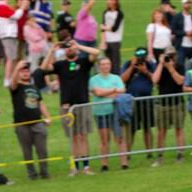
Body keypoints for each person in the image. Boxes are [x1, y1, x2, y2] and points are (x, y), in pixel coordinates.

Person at [42, 40, 100, 175]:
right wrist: (52, 50)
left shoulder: (84, 62)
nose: (70, 49)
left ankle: (86, 166)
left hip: (83, 104)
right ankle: (75, 167)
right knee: (73, 137)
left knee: (83, 136)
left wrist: (78, 45)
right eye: (67, 48)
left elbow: (96, 52)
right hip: (67, 106)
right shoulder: (60, 65)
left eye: (71, 47)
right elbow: (44, 68)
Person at [10, 60, 52, 180]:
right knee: (27, 151)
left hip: (38, 123)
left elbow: (41, 103)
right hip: (22, 124)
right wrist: (16, 68)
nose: (25, 73)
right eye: (22, 71)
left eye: (27, 71)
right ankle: (32, 174)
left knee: (42, 150)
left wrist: (47, 116)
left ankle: (44, 172)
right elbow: (12, 82)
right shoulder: (16, 87)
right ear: (18, 73)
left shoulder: (34, 87)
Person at [88, 57, 128, 171]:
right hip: (100, 111)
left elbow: (122, 91)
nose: (106, 66)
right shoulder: (93, 79)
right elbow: (98, 92)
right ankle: (104, 164)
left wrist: (105, 93)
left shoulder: (116, 78)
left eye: (108, 64)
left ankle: (124, 163)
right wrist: (113, 91)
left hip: (115, 111)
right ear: (99, 66)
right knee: (104, 139)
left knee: (119, 137)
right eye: (103, 64)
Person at [152, 45, 187, 165]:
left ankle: (180, 155)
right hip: (162, 104)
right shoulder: (160, 67)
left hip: (177, 103)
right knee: (161, 131)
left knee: (179, 129)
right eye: (168, 56)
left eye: (172, 56)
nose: (171, 58)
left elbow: (180, 81)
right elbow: (154, 80)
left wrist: (171, 68)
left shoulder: (180, 66)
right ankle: (160, 157)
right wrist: (161, 64)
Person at [120, 47, 156, 159]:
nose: (140, 59)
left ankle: (149, 152)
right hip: (131, 101)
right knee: (131, 129)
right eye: (138, 57)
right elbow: (122, 80)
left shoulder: (149, 65)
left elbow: (155, 79)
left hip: (147, 100)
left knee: (147, 127)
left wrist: (145, 71)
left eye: (143, 57)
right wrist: (132, 66)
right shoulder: (128, 64)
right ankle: (128, 154)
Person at [0, 0, 28, 87]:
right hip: (7, 35)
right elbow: (16, 16)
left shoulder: (4, 7)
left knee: (12, 58)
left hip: (10, 35)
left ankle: (13, 78)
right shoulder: (2, 7)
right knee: (10, 58)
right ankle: (7, 80)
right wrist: (23, 6)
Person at [171, 0, 192, 65]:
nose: (188, 5)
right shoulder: (177, 17)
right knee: (180, 64)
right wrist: (185, 33)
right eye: (186, 3)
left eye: (189, 3)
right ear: (183, 4)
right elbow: (173, 30)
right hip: (181, 46)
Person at [101, 0, 124, 74]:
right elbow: (102, 29)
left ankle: (116, 81)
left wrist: (104, 27)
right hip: (107, 41)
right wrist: (103, 42)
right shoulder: (105, 12)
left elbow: (114, 28)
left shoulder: (119, 13)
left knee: (115, 64)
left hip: (115, 41)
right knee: (107, 64)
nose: (109, 2)